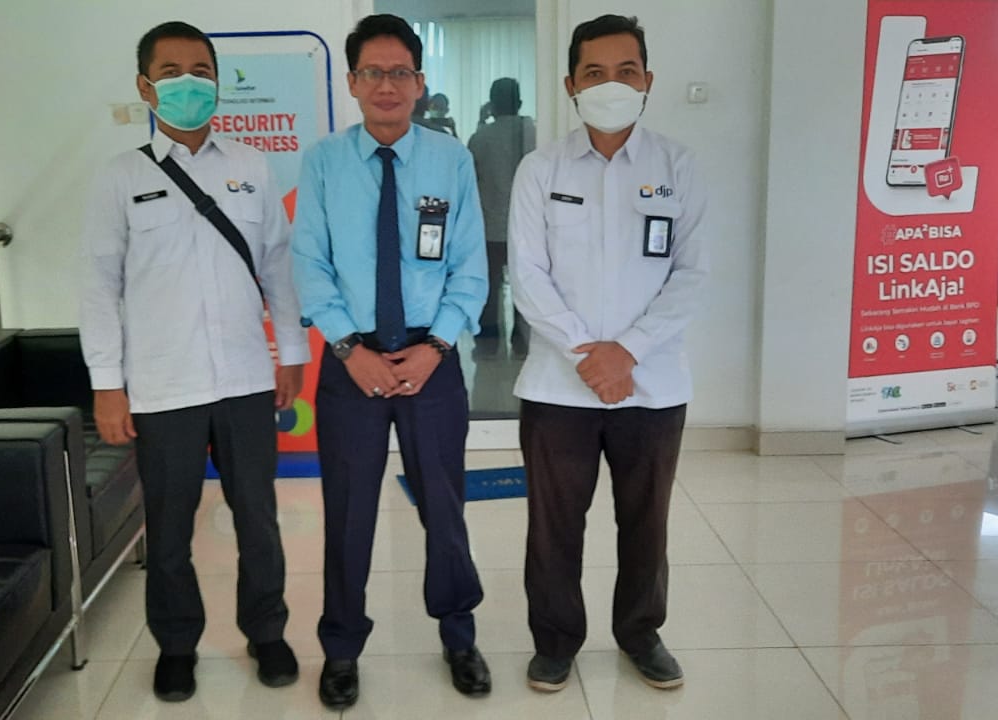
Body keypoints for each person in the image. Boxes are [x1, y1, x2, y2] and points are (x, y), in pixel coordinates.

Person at [79, 20, 309, 703]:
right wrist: (107, 385)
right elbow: (97, 287)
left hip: (245, 378)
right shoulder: (120, 178)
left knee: (257, 519)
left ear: (217, 82)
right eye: (171, 71)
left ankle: (266, 632)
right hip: (163, 386)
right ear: (145, 86)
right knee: (170, 528)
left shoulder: (251, 167)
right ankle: (176, 645)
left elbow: (278, 268)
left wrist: (291, 353)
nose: (189, 83)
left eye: (201, 71)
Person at [290, 13, 491, 710]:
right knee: (348, 513)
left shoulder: (450, 159)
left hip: (432, 359)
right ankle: (342, 647)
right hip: (352, 363)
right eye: (372, 72)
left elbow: (470, 265)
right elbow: (309, 264)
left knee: (445, 504)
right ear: (352, 82)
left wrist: (437, 347)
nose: (387, 85)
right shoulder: (323, 161)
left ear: (419, 82)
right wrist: (349, 349)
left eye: (400, 72)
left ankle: (459, 636)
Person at [508, 14, 709, 693]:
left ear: (648, 80)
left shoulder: (678, 167)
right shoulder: (541, 169)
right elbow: (527, 275)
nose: (611, 85)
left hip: (653, 385)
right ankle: (555, 641)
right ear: (571, 85)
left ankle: (641, 633)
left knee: (646, 523)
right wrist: (585, 354)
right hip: (557, 386)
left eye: (626, 71)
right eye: (594, 73)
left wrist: (627, 353)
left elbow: (692, 275)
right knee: (553, 526)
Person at [467, 77, 537, 356]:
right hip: (528, 226)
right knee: (525, 282)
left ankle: (488, 335)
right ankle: (521, 333)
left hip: (491, 224)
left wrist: (481, 121)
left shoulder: (481, 137)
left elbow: (472, 178)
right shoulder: (534, 132)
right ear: (519, 102)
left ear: (492, 104)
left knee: (490, 282)